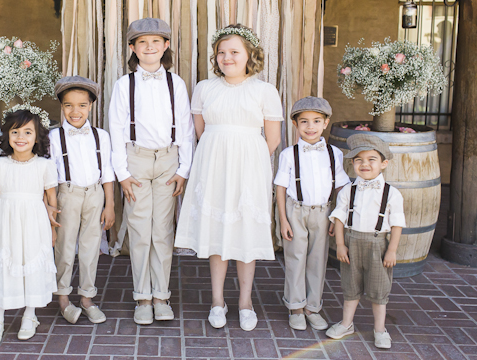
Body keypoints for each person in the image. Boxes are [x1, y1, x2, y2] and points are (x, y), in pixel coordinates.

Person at [174, 24, 283, 331]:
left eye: (234, 52)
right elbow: (200, 132)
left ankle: (245, 303)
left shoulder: (264, 90)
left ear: (250, 55)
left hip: (249, 167)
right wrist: (220, 153)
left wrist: (246, 159)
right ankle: (217, 301)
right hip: (214, 166)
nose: (226, 57)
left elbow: (272, 140)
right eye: (221, 52)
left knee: (244, 232)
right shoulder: (205, 88)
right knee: (218, 233)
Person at [108, 18, 194, 325]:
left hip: (169, 160)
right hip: (137, 161)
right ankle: (142, 297)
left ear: (166, 46)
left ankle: (162, 295)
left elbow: (185, 128)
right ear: (132, 48)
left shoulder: (177, 83)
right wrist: (122, 174)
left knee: (162, 231)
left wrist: (184, 169)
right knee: (140, 230)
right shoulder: (124, 84)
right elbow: (116, 130)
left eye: (156, 41)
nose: (149, 47)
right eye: (142, 42)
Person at [0, 108, 58, 345]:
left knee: (32, 265)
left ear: (37, 137)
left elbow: (52, 200)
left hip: (35, 224)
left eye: (27, 132)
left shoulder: (44, 165)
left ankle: (30, 315)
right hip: (8, 225)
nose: (20, 137)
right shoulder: (0, 165)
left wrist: (53, 230)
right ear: (8, 135)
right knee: (6, 266)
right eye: (15, 131)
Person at [274, 97, 350, 331]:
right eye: (304, 121)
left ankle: (313, 307)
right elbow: (280, 188)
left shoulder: (334, 153)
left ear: (326, 123)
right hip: (295, 211)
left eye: (317, 121)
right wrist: (283, 220)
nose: (310, 127)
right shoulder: (289, 153)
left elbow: (341, 186)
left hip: (324, 212)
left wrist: (338, 216)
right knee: (296, 258)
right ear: (296, 124)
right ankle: (296, 307)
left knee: (318, 261)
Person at [47, 76, 115, 325]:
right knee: (64, 249)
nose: (75, 111)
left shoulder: (101, 136)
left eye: (82, 105)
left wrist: (110, 204)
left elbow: (107, 171)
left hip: (95, 194)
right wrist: (51, 205)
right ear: (61, 106)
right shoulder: (54, 138)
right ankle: (63, 298)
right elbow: (50, 176)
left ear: (91, 106)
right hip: (67, 194)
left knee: (90, 248)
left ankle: (87, 298)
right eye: (68, 105)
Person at [326, 134, 405, 349]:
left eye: (371, 159)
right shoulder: (348, 191)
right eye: (359, 160)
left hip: (378, 245)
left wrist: (392, 250)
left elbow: (397, 223)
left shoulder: (392, 194)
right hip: (352, 243)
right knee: (350, 286)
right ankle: (346, 323)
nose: (365, 164)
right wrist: (340, 245)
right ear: (353, 164)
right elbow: (340, 218)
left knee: (379, 289)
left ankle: (380, 329)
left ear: (384, 163)